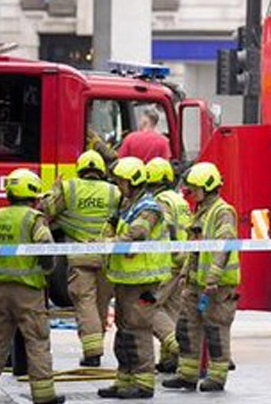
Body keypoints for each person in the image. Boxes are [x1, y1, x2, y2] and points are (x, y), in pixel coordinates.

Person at [0, 168, 64, 404]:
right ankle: (44, 396)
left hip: (0, 291)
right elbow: (46, 248)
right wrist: (46, 271)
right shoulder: (34, 219)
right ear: (33, 194)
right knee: (37, 341)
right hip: (29, 293)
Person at [162, 162, 240, 392]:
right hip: (196, 283)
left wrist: (214, 276)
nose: (191, 192)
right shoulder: (201, 211)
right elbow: (195, 248)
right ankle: (187, 375)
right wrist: (185, 273)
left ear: (207, 187)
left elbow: (224, 244)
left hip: (217, 286)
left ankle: (216, 378)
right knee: (187, 328)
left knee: (216, 330)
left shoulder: (223, 211)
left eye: (195, 189)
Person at [40, 150, 122, 367]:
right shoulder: (114, 191)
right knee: (101, 303)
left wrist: (54, 190)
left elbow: (46, 210)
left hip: (80, 257)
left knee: (85, 302)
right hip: (107, 257)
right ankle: (96, 345)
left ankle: (92, 351)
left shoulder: (69, 188)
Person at [100, 157, 173, 400]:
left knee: (138, 330)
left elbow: (138, 232)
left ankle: (143, 383)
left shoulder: (148, 208)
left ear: (133, 182)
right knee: (124, 331)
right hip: (125, 280)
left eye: (121, 182)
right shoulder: (127, 205)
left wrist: (110, 243)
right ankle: (124, 380)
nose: (118, 186)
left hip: (142, 281)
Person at [145, 156, 192, 374]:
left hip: (167, 261)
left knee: (148, 308)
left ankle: (179, 348)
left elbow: (167, 227)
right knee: (172, 310)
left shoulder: (160, 201)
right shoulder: (179, 199)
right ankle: (169, 361)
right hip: (182, 260)